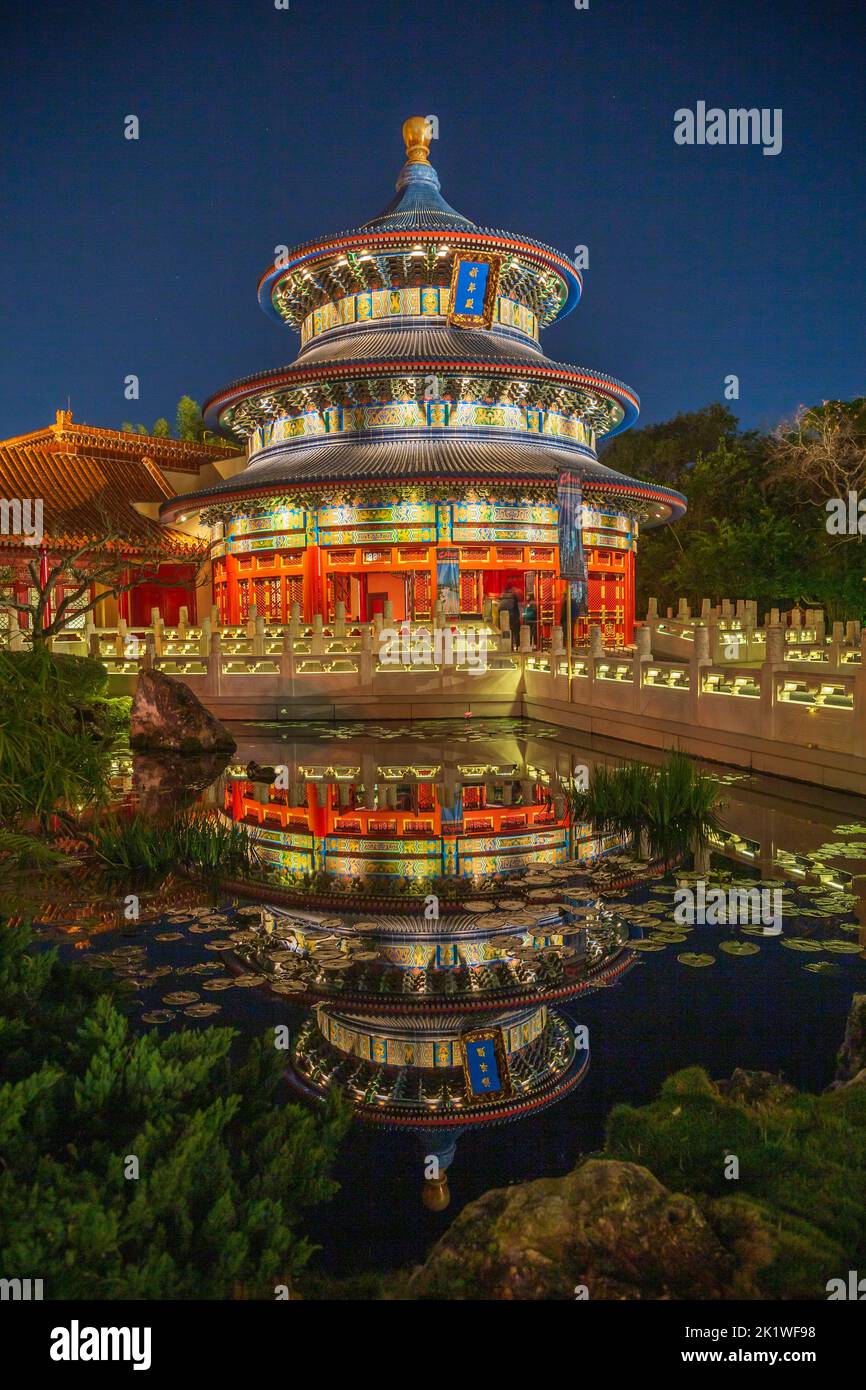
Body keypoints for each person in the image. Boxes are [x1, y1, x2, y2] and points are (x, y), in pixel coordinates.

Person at [499, 584, 520, 650]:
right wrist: (517, 618)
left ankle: (508, 647)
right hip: (513, 618)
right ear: (511, 589)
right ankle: (517, 646)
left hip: (504, 619)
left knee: (506, 633)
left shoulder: (501, 598)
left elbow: (499, 609)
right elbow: (516, 609)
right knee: (515, 633)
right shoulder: (514, 597)